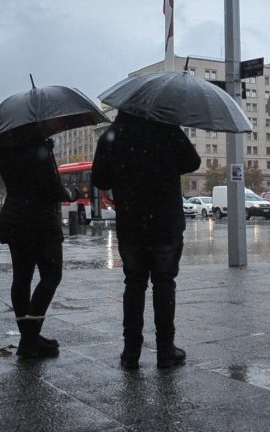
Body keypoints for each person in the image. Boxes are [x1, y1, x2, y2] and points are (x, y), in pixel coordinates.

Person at [92, 111, 201, 369]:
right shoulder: (166, 128)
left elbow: (99, 179)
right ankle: (165, 350)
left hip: (131, 223)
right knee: (164, 283)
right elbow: (192, 162)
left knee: (134, 283)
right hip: (165, 222)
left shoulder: (111, 135)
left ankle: (131, 352)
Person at [0, 135, 71, 359]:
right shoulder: (38, 149)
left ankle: (30, 336)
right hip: (40, 221)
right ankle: (29, 339)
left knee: (22, 277)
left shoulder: (4, 149)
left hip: (14, 218)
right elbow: (52, 188)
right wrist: (69, 194)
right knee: (51, 275)